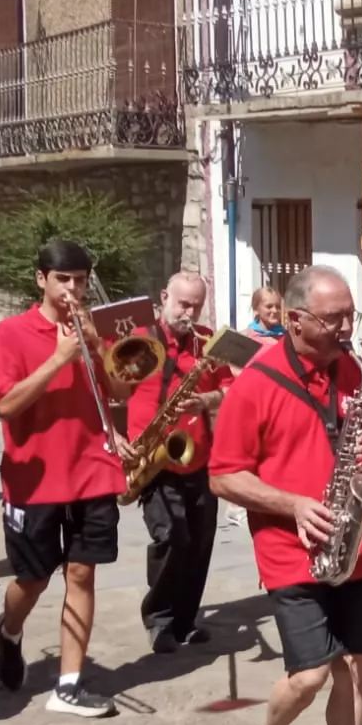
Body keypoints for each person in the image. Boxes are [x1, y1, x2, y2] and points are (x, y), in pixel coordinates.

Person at [212, 265, 362, 725]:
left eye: (351, 315)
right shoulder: (256, 382)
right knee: (310, 674)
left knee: (353, 668)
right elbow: (224, 476)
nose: (348, 327)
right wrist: (293, 505)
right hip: (291, 549)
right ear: (295, 322)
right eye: (334, 318)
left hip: (361, 546)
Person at [0, 240, 140, 717]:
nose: (72, 289)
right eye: (63, 280)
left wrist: (96, 346)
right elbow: (6, 405)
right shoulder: (11, 333)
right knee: (31, 580)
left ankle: (68, 685)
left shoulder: (91, 331)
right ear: (42, 280)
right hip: (35, 475)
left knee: (81, 572)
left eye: (79, 280)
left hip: (91, 468)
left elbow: (118, 390)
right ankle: (9, 630)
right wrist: (58, 358)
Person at [130, 271, 233, 655]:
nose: (189, 312)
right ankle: (159, 617)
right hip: (155, 457)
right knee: (172, 538)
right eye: (182, 303)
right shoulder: (139, 340)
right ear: (163, 297)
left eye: (196, 305)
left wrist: (206, 401)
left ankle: (186, 620)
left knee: (200, 543)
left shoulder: (209, 343)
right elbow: (112, 387)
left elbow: (229, 388)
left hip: (200, 456)